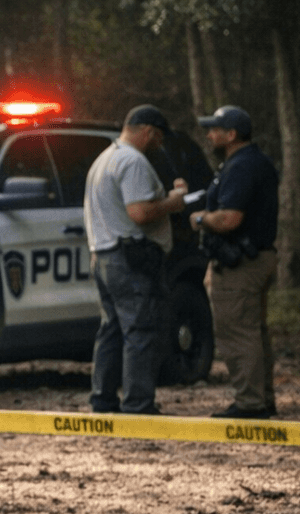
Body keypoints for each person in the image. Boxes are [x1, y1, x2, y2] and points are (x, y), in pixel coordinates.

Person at [83, 104, 189, 415]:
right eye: (158, 138)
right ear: (147, 132)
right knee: (139, 331)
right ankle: (138, 404)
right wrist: (173, 201)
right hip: (129, 257)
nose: (159, 145)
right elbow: (140, 212)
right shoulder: (133, 162)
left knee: (111, 329)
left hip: (102, 254)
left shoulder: (105, 158)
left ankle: (102, 400)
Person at [192, 105, 281, 419]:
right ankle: (262, 398)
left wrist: (201, 217)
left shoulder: (240, 166)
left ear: (231, 135)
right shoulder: (254, 162)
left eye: (214, 129)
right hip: (255, 257)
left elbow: (230, 218)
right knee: (253, 330)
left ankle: (249, 402)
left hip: (241, 263)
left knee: (237, 331)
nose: (209, 135)